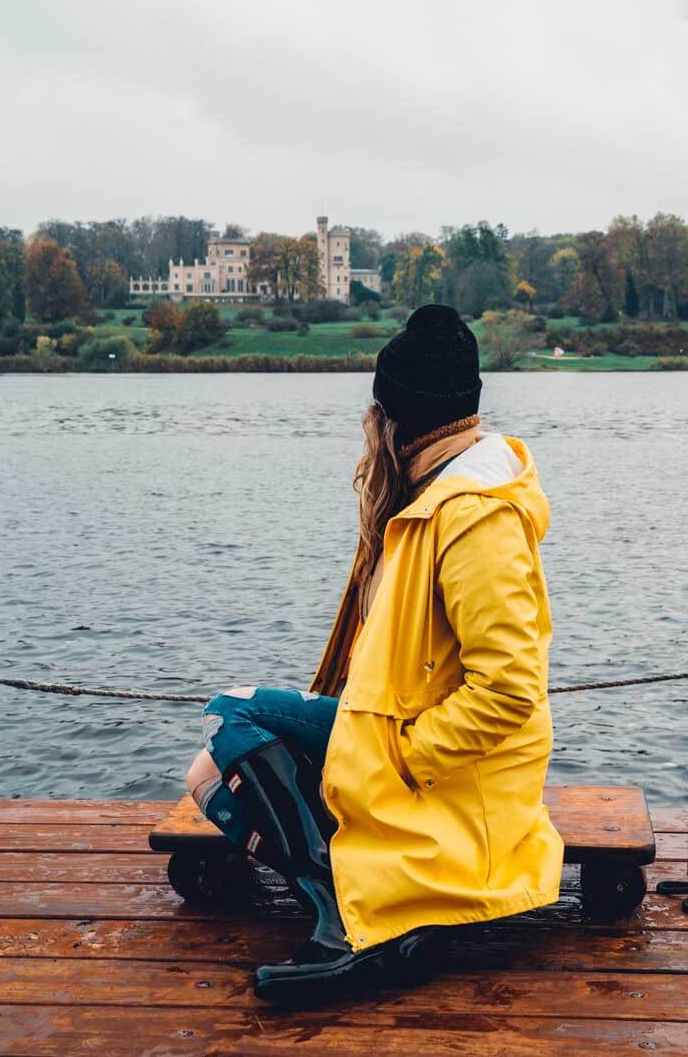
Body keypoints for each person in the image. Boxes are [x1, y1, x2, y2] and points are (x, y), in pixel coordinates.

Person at [186, 303, 564, 1005]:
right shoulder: (433, 493)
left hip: (442, 767)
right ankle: (373, 909)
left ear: (395, 417)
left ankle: (347, 915)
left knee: (229, 720)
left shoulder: (475, 515)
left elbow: (511, 689)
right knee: (209, 766)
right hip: (396, 727)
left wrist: (402, 759)